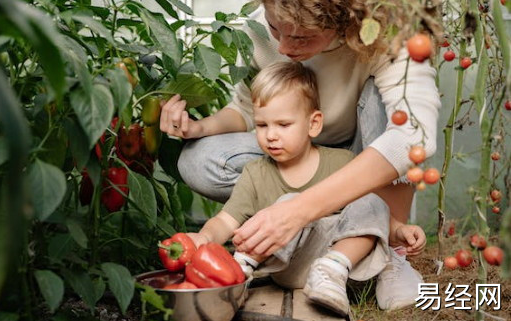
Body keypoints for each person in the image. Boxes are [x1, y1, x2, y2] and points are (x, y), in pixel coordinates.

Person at [159, 0, 439, 310]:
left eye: (302, 37)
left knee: (390, 108)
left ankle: (389, 255)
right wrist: (199, 128)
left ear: (344, 20)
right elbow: (247, 108)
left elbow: (414, 135)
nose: (283, 47)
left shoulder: (389, 34)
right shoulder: (263, 28)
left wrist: (297, 210)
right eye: (275, 28)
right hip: (298, 153)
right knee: (198, 160)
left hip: (361, 155)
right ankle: (309, 242)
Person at [188, 61, 422, 316]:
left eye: (284, 125)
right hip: (285, 265)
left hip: (337, 262)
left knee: (373, 201)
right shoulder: (255, 172)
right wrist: (205, 237)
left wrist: (399, 230)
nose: (271, 135)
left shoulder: (341, 162)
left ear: (313, 124)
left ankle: (332, 269)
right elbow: (225, 220)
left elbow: (369, 214)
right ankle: (240, 270)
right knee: (289, 202)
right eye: (262, 125)